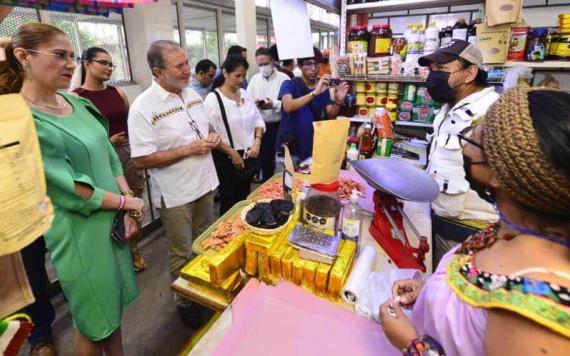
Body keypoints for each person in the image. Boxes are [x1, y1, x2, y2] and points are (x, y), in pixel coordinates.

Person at [379, 86, 570, 356]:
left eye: (477, 139)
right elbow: (474, 315)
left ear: (503, 175)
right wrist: (434, 295)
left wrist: (412, 344)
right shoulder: (511, 229)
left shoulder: (538, 311)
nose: (466, 146)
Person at [0, 23, 141, 355]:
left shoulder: (74, 103)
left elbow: (108, 155)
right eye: (59, 56)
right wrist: (126, 201)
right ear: (23, 57)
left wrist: (129, 205)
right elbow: (72, 190)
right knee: (93, 322)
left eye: (72, 56)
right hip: (81, 234)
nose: (69, 64)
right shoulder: (21, 120)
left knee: (113, 309)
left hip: (111, 222)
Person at [128, 40, 221, 328]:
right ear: (158, 71)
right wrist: (188, 150)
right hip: (177, 193)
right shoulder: (144, 107)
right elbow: (141, 159)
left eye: (186, 63)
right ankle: (184, 301)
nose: (187, 70)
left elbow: (206, 128)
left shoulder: (192, 94)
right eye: (179, 66)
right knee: (181, 252)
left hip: (206, 182)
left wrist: (214, 137)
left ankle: (204, 290)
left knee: (206, 241)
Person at [418, 39, 500, 267]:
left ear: (470, 73)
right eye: (432, 69)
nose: (433, 76)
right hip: (442, 221)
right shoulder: (448, 108)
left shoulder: (492, 112)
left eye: (442, 69)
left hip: (470, 230)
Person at [72, 46, 147, 273]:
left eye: (111, 64)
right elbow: (78, 134)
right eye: (103, 63)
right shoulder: (77, 98)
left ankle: (134, 247)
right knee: (109, 205)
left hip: (126, 154)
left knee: (133, 199)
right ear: (87, 63)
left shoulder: (118, 92)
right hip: (99, 159)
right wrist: (107, 140)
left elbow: (130, 122)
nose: (109, 68)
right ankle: (114, 252)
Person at [204, 54, 265, 214]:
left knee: (244, 199)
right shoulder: (213, 99)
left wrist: (257, 142)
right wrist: (231, 153)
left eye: (243, 76)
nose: (241, 80)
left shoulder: (245, 94)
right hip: (226, 157)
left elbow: (258, 120)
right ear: (225, 73)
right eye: (237, 75)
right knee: (229, 202)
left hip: (249, 155)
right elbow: (209, 132)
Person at [275, 47, 349, 166]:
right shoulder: (289, 84)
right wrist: (314, 93)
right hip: (290, 149)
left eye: (316, 64)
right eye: (308, 64)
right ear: (299, 66)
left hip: (312, 148)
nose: (313, 68)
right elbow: (288, 106)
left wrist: (339, 101)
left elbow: (331, 115)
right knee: (284, 183)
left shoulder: (322, 86)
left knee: (307, 183)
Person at [247, 47, 289, 181]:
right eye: (260, 65)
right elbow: (247, 100)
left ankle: (280, 185)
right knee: (264, 162)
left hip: (279, 125)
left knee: (280, 160)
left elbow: (290, 104)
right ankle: (266, 186)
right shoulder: (254, 80)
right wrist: (254, 102)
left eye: (265, 64)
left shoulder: (284, 79)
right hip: (261, 127)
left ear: (272, 61)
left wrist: (274, 104)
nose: (263, 67)